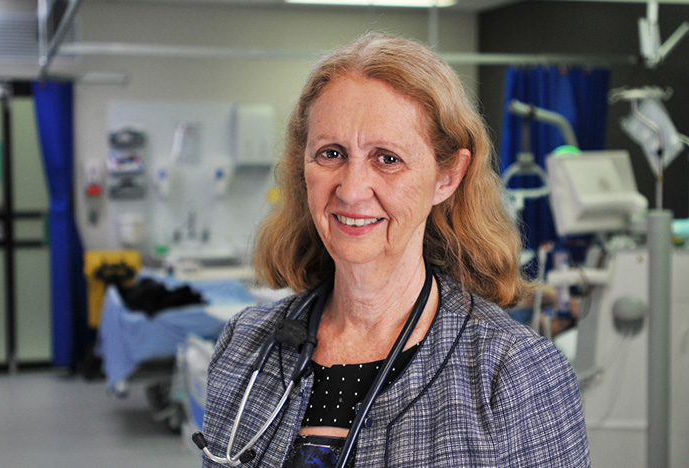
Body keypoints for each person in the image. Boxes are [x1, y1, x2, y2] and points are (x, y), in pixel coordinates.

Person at [200, 32, 589, 468]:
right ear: (302, 165)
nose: (351, 190)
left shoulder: (514, 372)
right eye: (331, 153)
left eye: (387, 158)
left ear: (447, 176)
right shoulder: (245, 346)